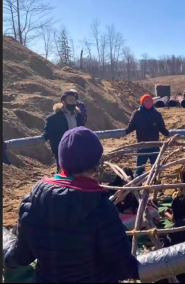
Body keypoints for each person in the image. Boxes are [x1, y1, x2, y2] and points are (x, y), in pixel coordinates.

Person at [3, 127, 140, 283]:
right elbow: (122, 265)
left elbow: (21, 256)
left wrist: (6, 257)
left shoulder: (32, 203)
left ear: (62, 162)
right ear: (95, 164)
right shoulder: (102, 209)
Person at [125, 94, 169, 176]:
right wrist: (125, 131)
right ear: (142, 102)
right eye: (146, 100)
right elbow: (131, 126)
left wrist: (168, 133)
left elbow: (162, 128)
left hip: (154, 145)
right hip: (142, 146)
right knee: (139, 169)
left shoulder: (157, 114)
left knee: (156, 169)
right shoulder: (137, 114)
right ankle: (137, 186)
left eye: (149, 100)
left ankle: (156, 186)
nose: (148, 102)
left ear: (152, 102)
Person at [43, 91, 84, 173]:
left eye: (74, 100)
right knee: (62, 170)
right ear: (63, 102)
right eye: (70, 100)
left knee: (75, 169)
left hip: (75, 146)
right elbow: (48, 131)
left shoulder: (78, 115)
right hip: (61, 148)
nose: (73, 103)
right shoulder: (54, 117)